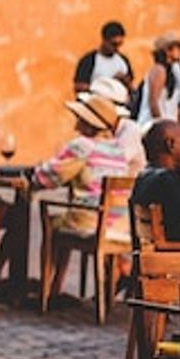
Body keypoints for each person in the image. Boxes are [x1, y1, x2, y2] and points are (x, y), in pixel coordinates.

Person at [33, 92, 134, 300]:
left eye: (80, 118)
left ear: (89, 123)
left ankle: (47, 289)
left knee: (54, 223)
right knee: (67, 218)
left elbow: (48, 176)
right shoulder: (118, 150)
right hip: (117, 225)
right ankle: (56, 286)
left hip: (90, 222)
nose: (76, 124)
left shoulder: (83, 146)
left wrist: (34, 174)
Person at [131, 119, 180, 243]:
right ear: (170, 145)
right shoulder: (170, 180)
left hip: (156, 251)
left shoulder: (144, 177)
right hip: (178, 254)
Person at [137, 32, 180, 128]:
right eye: (178, 48)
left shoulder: (174, 71)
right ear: (167, 50)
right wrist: (162, 126)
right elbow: (153, 103)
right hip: (153, 127)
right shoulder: (159, 70)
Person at [72, 20, 133, 97]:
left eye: (119, 44)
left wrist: (125, 81)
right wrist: (101, 88)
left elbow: (131, 89)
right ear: (104, 40)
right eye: (114, 44)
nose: (116, 48)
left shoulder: (123, 61)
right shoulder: (89, 60)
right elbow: (78, 86)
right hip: (95, 103)